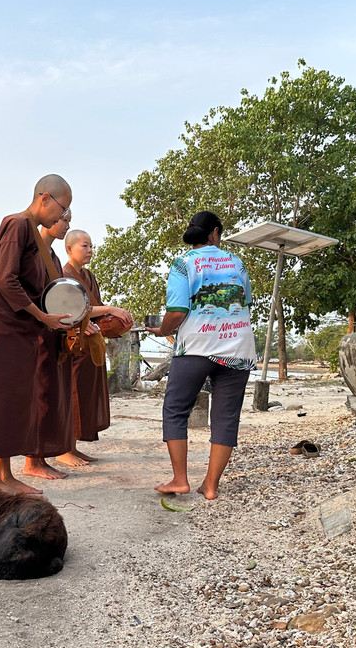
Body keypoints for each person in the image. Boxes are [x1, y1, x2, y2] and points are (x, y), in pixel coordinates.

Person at [0, 174, 73, 495]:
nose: (61, 217)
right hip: (1, 327)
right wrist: (42, 316)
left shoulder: (32, 233)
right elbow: (6, 280)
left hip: (21, 329)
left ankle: (6, 476)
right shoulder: (17, 224)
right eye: (62, 208)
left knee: (12, 400)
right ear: (45, 198)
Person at [147, 210, 255, 499]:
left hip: (196, 346)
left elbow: (177, 311)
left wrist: (162, 330)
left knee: (175, 409)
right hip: (237, 348)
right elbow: (245, 301)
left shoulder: (183, 264)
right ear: (215, 233)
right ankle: (210, 485)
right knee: (226, 416)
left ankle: (179, 480)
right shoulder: (236, 262)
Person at [59, 229, 133, 467]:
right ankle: (63, 449)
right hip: (74, 344)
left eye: (91, 246)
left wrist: (113, 320)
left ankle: (73, 447)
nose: (90, 250)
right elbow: (73, 309)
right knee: (72, 395)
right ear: (69, 249)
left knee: (85, 395)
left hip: (91, 343)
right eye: (85, 246)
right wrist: (110, 309)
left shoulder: (88, 276)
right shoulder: (64, 275)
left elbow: (93, 309)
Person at [21, 213, 74, 480]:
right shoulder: (33, 250)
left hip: (52, 331)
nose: (66, 225)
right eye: (64, 219)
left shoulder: (53, 257)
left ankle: (40, 457)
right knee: (39, 396)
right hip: (36, 332)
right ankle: (32, 461)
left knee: (50, 396)